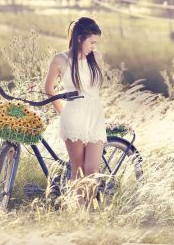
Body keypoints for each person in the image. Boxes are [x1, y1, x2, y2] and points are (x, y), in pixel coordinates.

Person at [44, 16, 105, 206]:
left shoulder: (96, 58)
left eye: (96, 42)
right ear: (80, 38)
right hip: (73, 115)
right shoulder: (60, 59)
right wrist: (63, 113)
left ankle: (87, 211)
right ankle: (80, 212)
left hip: (94, 116)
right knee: (77, 168)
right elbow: (49, 89)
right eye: (92, 42)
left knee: (92, 169)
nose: (94, 46)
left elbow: (95, 90)